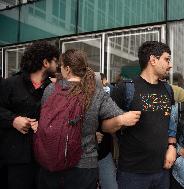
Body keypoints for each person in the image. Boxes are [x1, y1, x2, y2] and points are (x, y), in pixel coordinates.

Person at [37, 49, 140, 189]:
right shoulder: (95, 93)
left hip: (51, 161)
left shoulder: (50, 89)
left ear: (67, 69)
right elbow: (117, 115)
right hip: (84, 165)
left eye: (61, 67)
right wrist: (123, 119)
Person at [108, 41, 176, 189]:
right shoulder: (125, 88)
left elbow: (170, 122)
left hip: (162, 171)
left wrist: (171, 146)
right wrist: (120, 119)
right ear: (153, 60)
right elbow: (104, 126)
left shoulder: (168, 89)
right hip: (132, 174)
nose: (170, 65)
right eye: (167, 59)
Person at [0, 41, 59, 189]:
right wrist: (13, 120)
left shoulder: (54, 88)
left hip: (45, 159)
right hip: (16, 160)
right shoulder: (11, 83)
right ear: (46, 62)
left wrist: (43, 124)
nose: (57, 65)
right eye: (55, 61)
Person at [96, 72, 118, 189]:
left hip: (104, 154)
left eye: (107, 85)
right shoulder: (84, 101)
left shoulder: (108, 101)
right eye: (103, 85)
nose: (106, 88)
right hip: (86, 157)